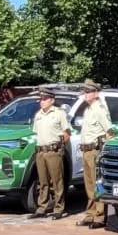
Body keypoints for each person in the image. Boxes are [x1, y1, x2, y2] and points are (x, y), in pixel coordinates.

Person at [76, 79, 112, 229]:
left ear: (96, 93)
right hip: (86, 151)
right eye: (85, 91)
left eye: (88, 91)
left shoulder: (99, 109)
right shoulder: (88, 110)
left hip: (95, 151)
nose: (85, 94)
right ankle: (90, 214)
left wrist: (104, 152)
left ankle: (99, 217)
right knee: (89, 185)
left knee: (97, 185)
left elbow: (109, 132)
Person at [29, 88, 70, 219]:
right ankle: (42, 208)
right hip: (41, 151)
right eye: (41, 99)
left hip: (54, 151)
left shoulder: (59, 113)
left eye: (45, 99)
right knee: (42, 181)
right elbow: (36, 132)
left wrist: (60, 147)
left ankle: (59, 208)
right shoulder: (38, 115)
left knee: (57, 181)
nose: (42, 101)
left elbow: (67, 133)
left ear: (52, 100)